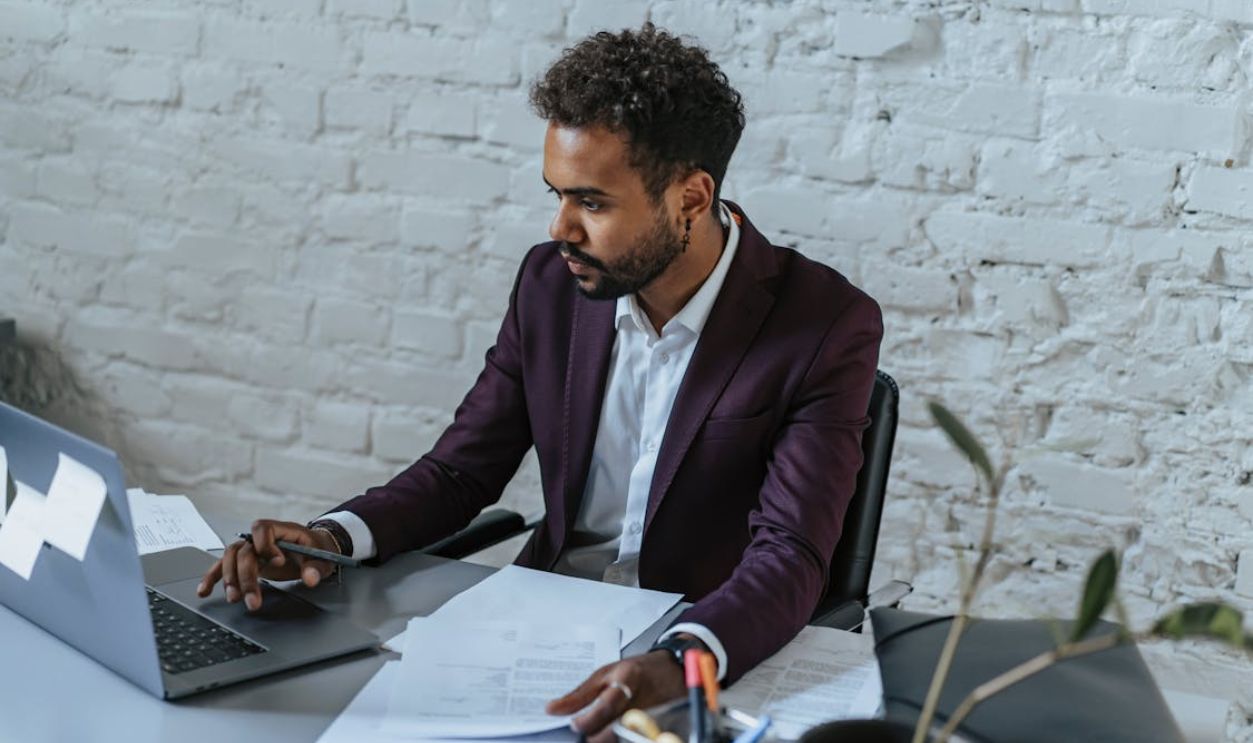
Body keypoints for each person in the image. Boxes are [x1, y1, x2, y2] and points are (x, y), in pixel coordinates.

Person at [198, 23, 882, 737]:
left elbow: (790, 553)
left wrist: (682, 660)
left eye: (592, 203)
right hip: (537, 635)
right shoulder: (549, 287)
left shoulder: (823, 324)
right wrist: (328, 540)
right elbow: (460, 471)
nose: (561, 228)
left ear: (689, 196)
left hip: (699, 643)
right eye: (555, 195)